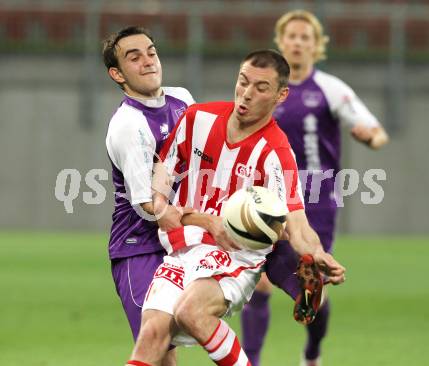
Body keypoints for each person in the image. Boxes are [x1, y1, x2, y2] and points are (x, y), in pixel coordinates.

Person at [125, 49, 346, 366]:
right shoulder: (196, 119)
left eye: (261, 88)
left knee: (192, 312)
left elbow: (296, 221)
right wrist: (173, 212)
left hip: (236, 253)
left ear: (281, 95)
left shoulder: (277, 154)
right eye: (243, 82)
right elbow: (158, 189)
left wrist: (318, 252)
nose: (246, 94)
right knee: (152, 336)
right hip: (182, 250)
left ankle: (297, 279)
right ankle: (295, 282)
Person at [240, 10, 389, 366]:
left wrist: (371, 138)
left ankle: (312, 351)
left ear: (316, 46)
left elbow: (376, 130)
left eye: (305, 37)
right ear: (281, 41)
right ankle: (252, 361)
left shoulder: (330, 89)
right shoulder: (264, 88)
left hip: (316, 200)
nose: (297, 42)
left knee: (312, 285)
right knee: (258, 282)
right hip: (268, 198)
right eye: (291, 35)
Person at [102, 26, 195, 365]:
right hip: (139, 248)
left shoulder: (182, 99)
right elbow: (148, 206)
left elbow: (205, 152)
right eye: (134, 56)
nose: (147, 61)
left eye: (151, 52)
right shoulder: (129, 124)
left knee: (169, 344)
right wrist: (210, 221)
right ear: (117, 74)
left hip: (179, 240)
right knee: (155, 348)